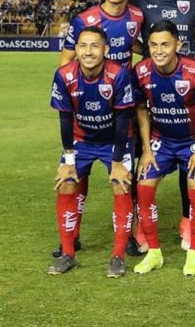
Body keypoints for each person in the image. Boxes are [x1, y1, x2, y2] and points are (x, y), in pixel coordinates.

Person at [55, 0, 144, 258]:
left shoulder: (137, 16)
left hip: (124, 105)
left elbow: (141, 47)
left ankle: (128, 234)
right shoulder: (85, 19)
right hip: (90, 104)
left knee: (124, 177)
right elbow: (67, 60)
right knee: (75, 178)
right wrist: (78, 92)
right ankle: (72, 235)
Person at [132, 0, 195, 251]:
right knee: (149, 156)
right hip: (157, 82)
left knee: (188, 163)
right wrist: (155, 56)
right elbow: (133, 37)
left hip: (188, 83)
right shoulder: (142, 0)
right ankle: (142, 223)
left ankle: (187, 219)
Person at [47, 26, 136, 277]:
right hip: (81, 140)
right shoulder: (64, 75)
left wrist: (118, 160)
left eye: (94, 46)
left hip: (115, 141)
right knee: (65, 182)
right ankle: (68, 253)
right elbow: (65, 119)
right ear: (75, 49)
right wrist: (68, 159)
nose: (88, 52)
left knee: (121, 183)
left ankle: (118, 255)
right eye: (83, 46)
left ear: (105, 50)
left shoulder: (118, 75)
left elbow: (122, 120)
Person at [131, 20, 195, 276]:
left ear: (178, 44)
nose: (159, 50)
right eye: (154, 45)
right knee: (143, 187)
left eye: (165, 44)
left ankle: (194, 252)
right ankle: (154, 253)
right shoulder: (141, 71)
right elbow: (142, 109)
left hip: (194, 141)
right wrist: (146, 149)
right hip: (161, 142)